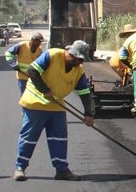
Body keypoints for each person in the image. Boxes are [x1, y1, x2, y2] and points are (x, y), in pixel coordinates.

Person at [13, 40, 94, 182]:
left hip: (57, 106)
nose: (79, 62)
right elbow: (32, 70)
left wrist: (88, 113)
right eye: (78, 59)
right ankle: (20, 168)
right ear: (71, 53)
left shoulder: (78, 70)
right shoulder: (52, 55)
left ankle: (61, 170)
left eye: (82, 60)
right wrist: (45, 90)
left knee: (59, 138)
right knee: (29, 138)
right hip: (35, 103)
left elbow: (84, 92)